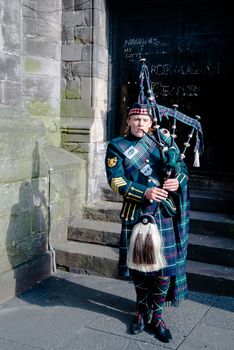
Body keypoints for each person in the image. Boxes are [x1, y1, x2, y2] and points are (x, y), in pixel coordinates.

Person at [105, 103, 190, 343]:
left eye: (144, 120)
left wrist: (177, 182)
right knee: (140, 268)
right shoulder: (117, 146)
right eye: (136, 119)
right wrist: (145, 192)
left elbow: (181, 167)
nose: (140, 123)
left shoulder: (163, 141)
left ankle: (158, 317)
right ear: (129, 122)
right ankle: (141, 312)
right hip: (137, 211)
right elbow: (116, 181)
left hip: (163, 211)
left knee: (163, 270)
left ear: (151, 123)